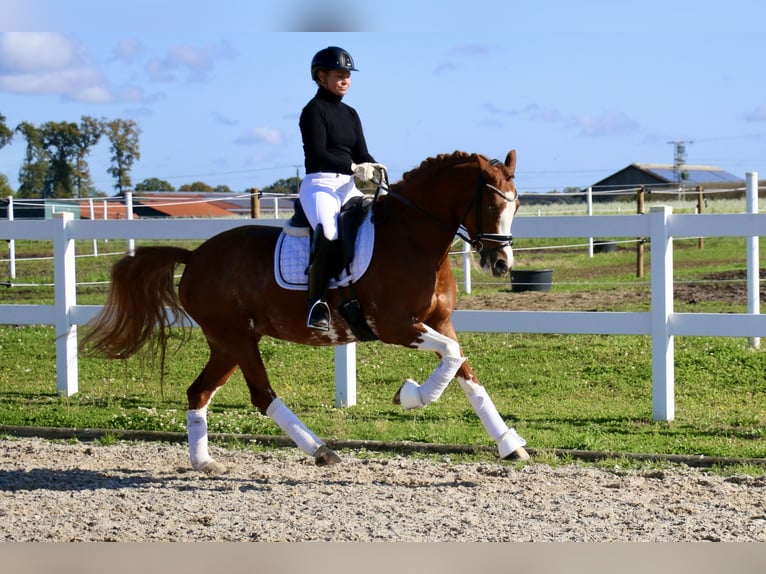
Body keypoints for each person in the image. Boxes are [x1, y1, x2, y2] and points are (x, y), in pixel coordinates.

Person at [298, 46, 386, 331]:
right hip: (320, 185)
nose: (346, 79)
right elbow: (318, 152)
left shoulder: (351, 113)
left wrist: (375, 167)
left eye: (348, 74)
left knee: (378, 221)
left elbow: (362, 152)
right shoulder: (313, 111)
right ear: (321, 76)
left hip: (348, 187)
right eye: (339, 74)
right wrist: (352, 167)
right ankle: (317, 304)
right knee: (329, 231)